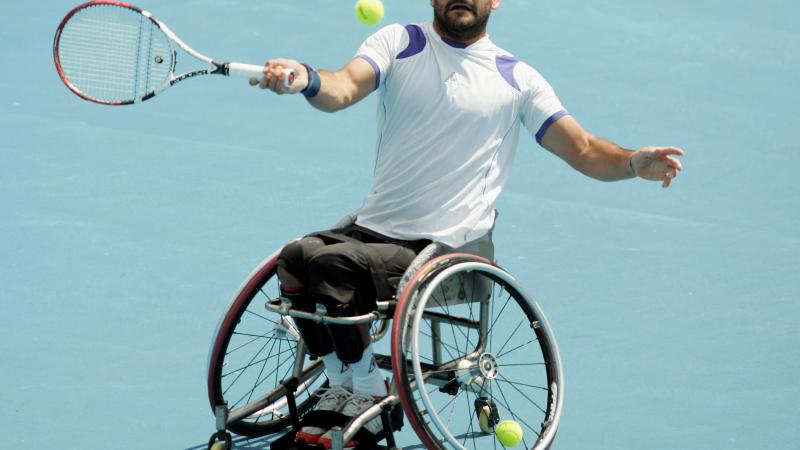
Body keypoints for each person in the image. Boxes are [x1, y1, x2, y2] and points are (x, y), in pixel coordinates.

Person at [250, 0, 683, 448]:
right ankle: (348, 382)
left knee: (336, 265)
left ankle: (370, 391)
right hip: (372, 231)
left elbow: (584, 148)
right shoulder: (399, 42)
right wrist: (305, 78)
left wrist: (632, 163)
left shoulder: (516, 79)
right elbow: (341, 87)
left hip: (442, 248)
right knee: (297, 258)